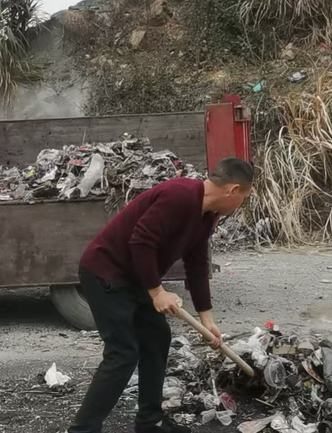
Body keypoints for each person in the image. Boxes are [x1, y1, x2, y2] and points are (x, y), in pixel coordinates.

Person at [68, 158, 254, 433]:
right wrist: (157, 291)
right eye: (243, 199)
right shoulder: (179, 195)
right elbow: (141, 241)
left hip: (134, 279)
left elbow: (196, 262)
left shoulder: (206, 215)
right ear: (233, 190)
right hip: (105, 272)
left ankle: (149, 422)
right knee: (123, 353)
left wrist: (207, 319)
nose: (240, 206)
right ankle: (83, 429)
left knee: (157, 337)